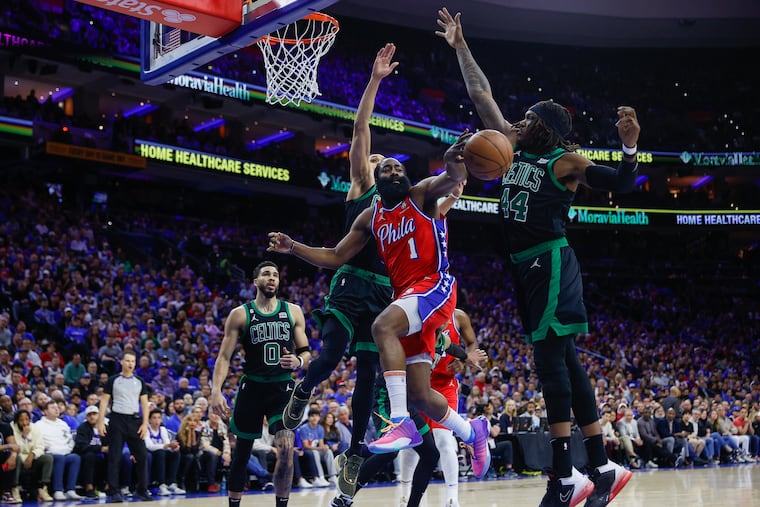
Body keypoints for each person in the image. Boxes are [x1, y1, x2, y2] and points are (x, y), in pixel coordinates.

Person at [437, 8, 639, 506]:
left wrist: (629, 149)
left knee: (550, 365)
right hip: (522, 267)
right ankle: (603, 466)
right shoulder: (509, 145)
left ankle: (564, 476)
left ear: (546, 128)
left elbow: (621, 184)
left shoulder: (564, 161)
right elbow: (481, 94)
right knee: (566, 362)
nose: (519, 122)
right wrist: (461, 46)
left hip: (550, 262)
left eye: (529, 119)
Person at [267, 134, 491, 479]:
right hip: (407, 298)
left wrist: (453, 160)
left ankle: (400, 422)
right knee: (420, 393)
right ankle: (471, 432)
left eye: (399, 167)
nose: (395, 171)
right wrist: (293, 247)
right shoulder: (371, 218)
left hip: (434, 286)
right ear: (378, 180)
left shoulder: (421, 196)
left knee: (381, 326)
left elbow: (451, 178)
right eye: (387, 169)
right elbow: (337, 256)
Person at [279, 43, 397, 497]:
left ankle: (354, 452)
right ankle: (304, 389)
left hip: (383, 296)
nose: (380, 160)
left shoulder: (402, 206)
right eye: (375, 159)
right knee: (329, 355)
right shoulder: (362, 187)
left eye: (389, 162)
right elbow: (361, 127)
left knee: (368, 375)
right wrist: (374, 81)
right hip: (350, 286)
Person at [210, 261, 310, 507]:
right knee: (242, 453)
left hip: (282, 388)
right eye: (266, 274)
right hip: (252, 387)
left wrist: (297, 361)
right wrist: (215, 390)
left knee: (286, 448)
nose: (272, 278)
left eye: (276, 274)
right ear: (255, 281)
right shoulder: (240, 314)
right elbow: (224, 357)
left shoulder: (293, 311)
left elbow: (307, 353)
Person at [397, 307, 486, 507]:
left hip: (444, 384)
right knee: (412, 442)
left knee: (445, 440)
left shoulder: (459, 316)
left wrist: (463, 361)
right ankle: (403, 494)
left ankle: (452, 497)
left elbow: (471, 344)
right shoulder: (417, 309)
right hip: (418, 384)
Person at [97, 349, 152, 502]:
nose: (130, 364)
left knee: (142, 456)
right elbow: (104, 401)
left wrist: (145, 423)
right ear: (121, 362)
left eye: (133, 361)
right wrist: (100, 422)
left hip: (134, 421)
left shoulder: (140, 381)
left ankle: (142, 489)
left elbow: (145, 404)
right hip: (117, 420)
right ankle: (114, 491)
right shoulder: (113, 380)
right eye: (127, 361)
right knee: (115, 457)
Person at [33, 402, 81, 501]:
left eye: (57, 407)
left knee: (75, 457)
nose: (56, 409)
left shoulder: (63, 424)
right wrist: (55, 450)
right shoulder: (38, 425)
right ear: (45, 411)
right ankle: (58, 490)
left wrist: (68, 450)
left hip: (65, 452)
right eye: (53, 408)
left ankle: (70, 490)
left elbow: (70, 440)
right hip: (50, 452)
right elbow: (40, 442)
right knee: (59, 458)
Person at [11, 409, 53, 501]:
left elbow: (40, 446)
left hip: (32, 457)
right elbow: (16, 448)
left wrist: (32, 455)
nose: (25, 422)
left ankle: (43, 488)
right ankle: (15, 489)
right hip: (18, 457)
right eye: (21, 420)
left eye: (27, 419)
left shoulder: (34, 428)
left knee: (48, 459)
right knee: (16, 458)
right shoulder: (12, 428)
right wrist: (24, 436)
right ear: (17, 421)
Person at [143, 408, 184, 496]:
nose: (156, 420)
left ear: (161, 419)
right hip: (150, 453)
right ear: (149, 419)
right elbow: (149, 446)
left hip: (161, 452)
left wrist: (173, 447)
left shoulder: (162, 429)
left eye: (158, 418)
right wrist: (166, 446)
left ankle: (172, 483)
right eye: (154, 418)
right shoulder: (146, 429)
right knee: (160, 452)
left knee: (175, 453)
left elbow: (166, 444)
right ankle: (161, 485)